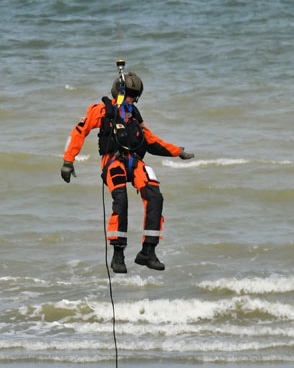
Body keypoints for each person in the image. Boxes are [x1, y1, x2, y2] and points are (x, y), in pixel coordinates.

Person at [61, 67, 194, 273]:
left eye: (136, 96)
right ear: (120, 92)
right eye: (131, 95)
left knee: (154, 195)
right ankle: (118, 255)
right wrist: (68, 161)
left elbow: (150, 140)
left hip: (134, 161)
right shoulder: (102, 110)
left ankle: (147, 252)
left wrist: (178, 152)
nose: (133, 99)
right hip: (112, 161)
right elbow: (80, 130)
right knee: (120, 198)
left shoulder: (134, 115)